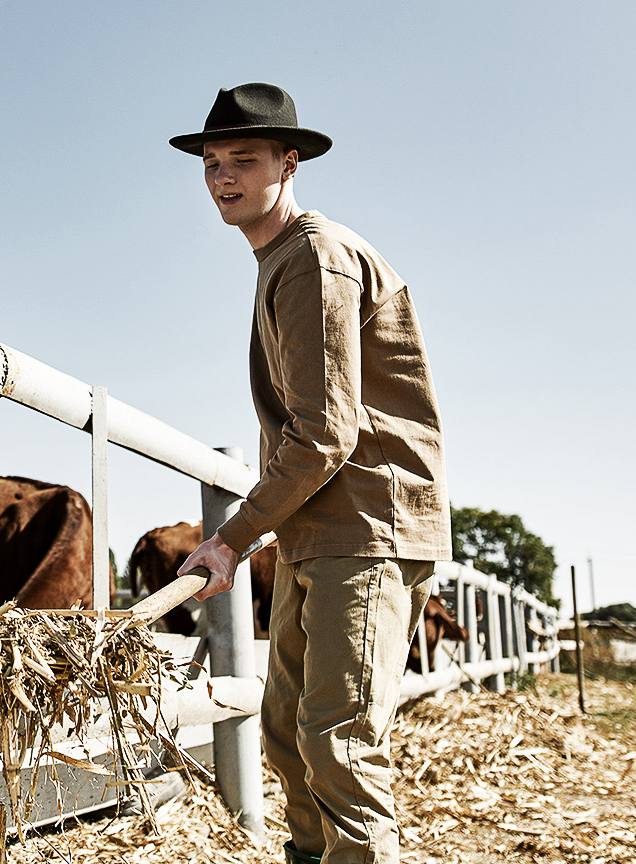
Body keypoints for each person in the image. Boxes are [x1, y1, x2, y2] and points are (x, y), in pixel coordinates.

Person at [170, 83, 451, 864]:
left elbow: (325, 432)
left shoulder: (314, 262)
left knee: (340, 745)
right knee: (289, 733)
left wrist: (233, 538)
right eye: (212, 162)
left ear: (289, 163)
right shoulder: (281, 260)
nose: (224, 177)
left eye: (245, 160)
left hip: (363, 528)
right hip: (315, 533)